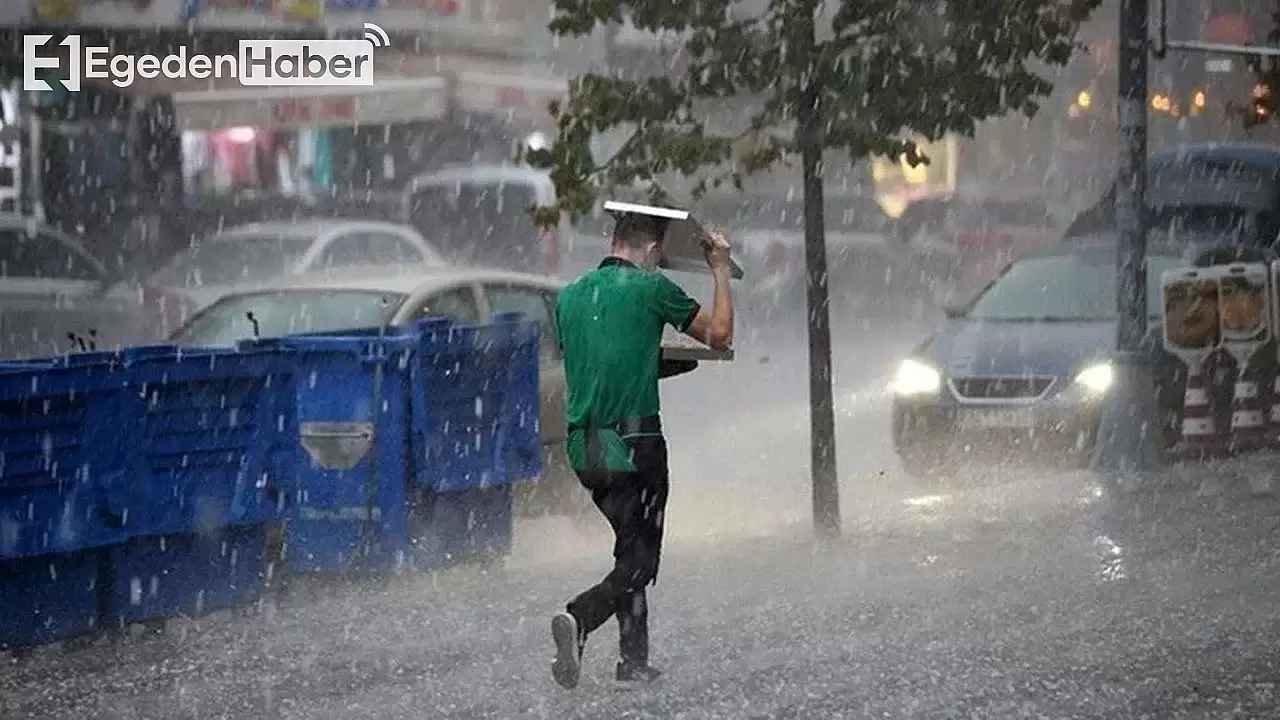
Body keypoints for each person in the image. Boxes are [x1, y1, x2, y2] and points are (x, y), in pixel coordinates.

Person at [549, 208, 734, 689]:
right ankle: (581, 618)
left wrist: (650, 362)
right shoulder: (652, 289)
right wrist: (718, 268)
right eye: (659, 257)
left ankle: (633, 660)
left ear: (614, 240)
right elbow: (720, 334)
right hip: (635, 445)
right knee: (641, 561)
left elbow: (603, 363)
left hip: (585, 451)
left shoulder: (568, 298)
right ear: (652, 250)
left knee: (630, 547)